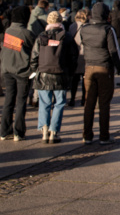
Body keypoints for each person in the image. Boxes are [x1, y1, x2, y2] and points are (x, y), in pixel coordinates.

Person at [79, 2, 120, 144]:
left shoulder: (84, 29)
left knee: (89, 103)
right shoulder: (108, 29)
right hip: (104, 68)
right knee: (104, 104)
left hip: (89, 67)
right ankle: (104, 136)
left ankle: (87, 135)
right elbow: (114, 52)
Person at [30, 11, 78, 143]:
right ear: (60, 21)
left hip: (44, 73)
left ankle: (44, 129)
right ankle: (54, 131)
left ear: (48, 22)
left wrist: (35, 70)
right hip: (61, 73)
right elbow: (73, 57)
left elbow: (34, 56)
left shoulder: (41, 36)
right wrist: (70, 72)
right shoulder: (66, 37)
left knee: (44, 103)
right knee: (59, 103)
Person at [0, 6, 35, 141]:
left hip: (8, 69)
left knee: (8, 100)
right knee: (21, 102)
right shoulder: (27, 33)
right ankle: (18, 132)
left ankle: (4, 131)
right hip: (22, 71)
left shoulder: (8, 30)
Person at [68, 10, 88, 107]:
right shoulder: (87, 27)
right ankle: (83, 99)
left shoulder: (72, 26)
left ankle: (72, 99)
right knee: (85, 79)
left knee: (74, 80)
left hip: (75, 55)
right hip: (85, 54)